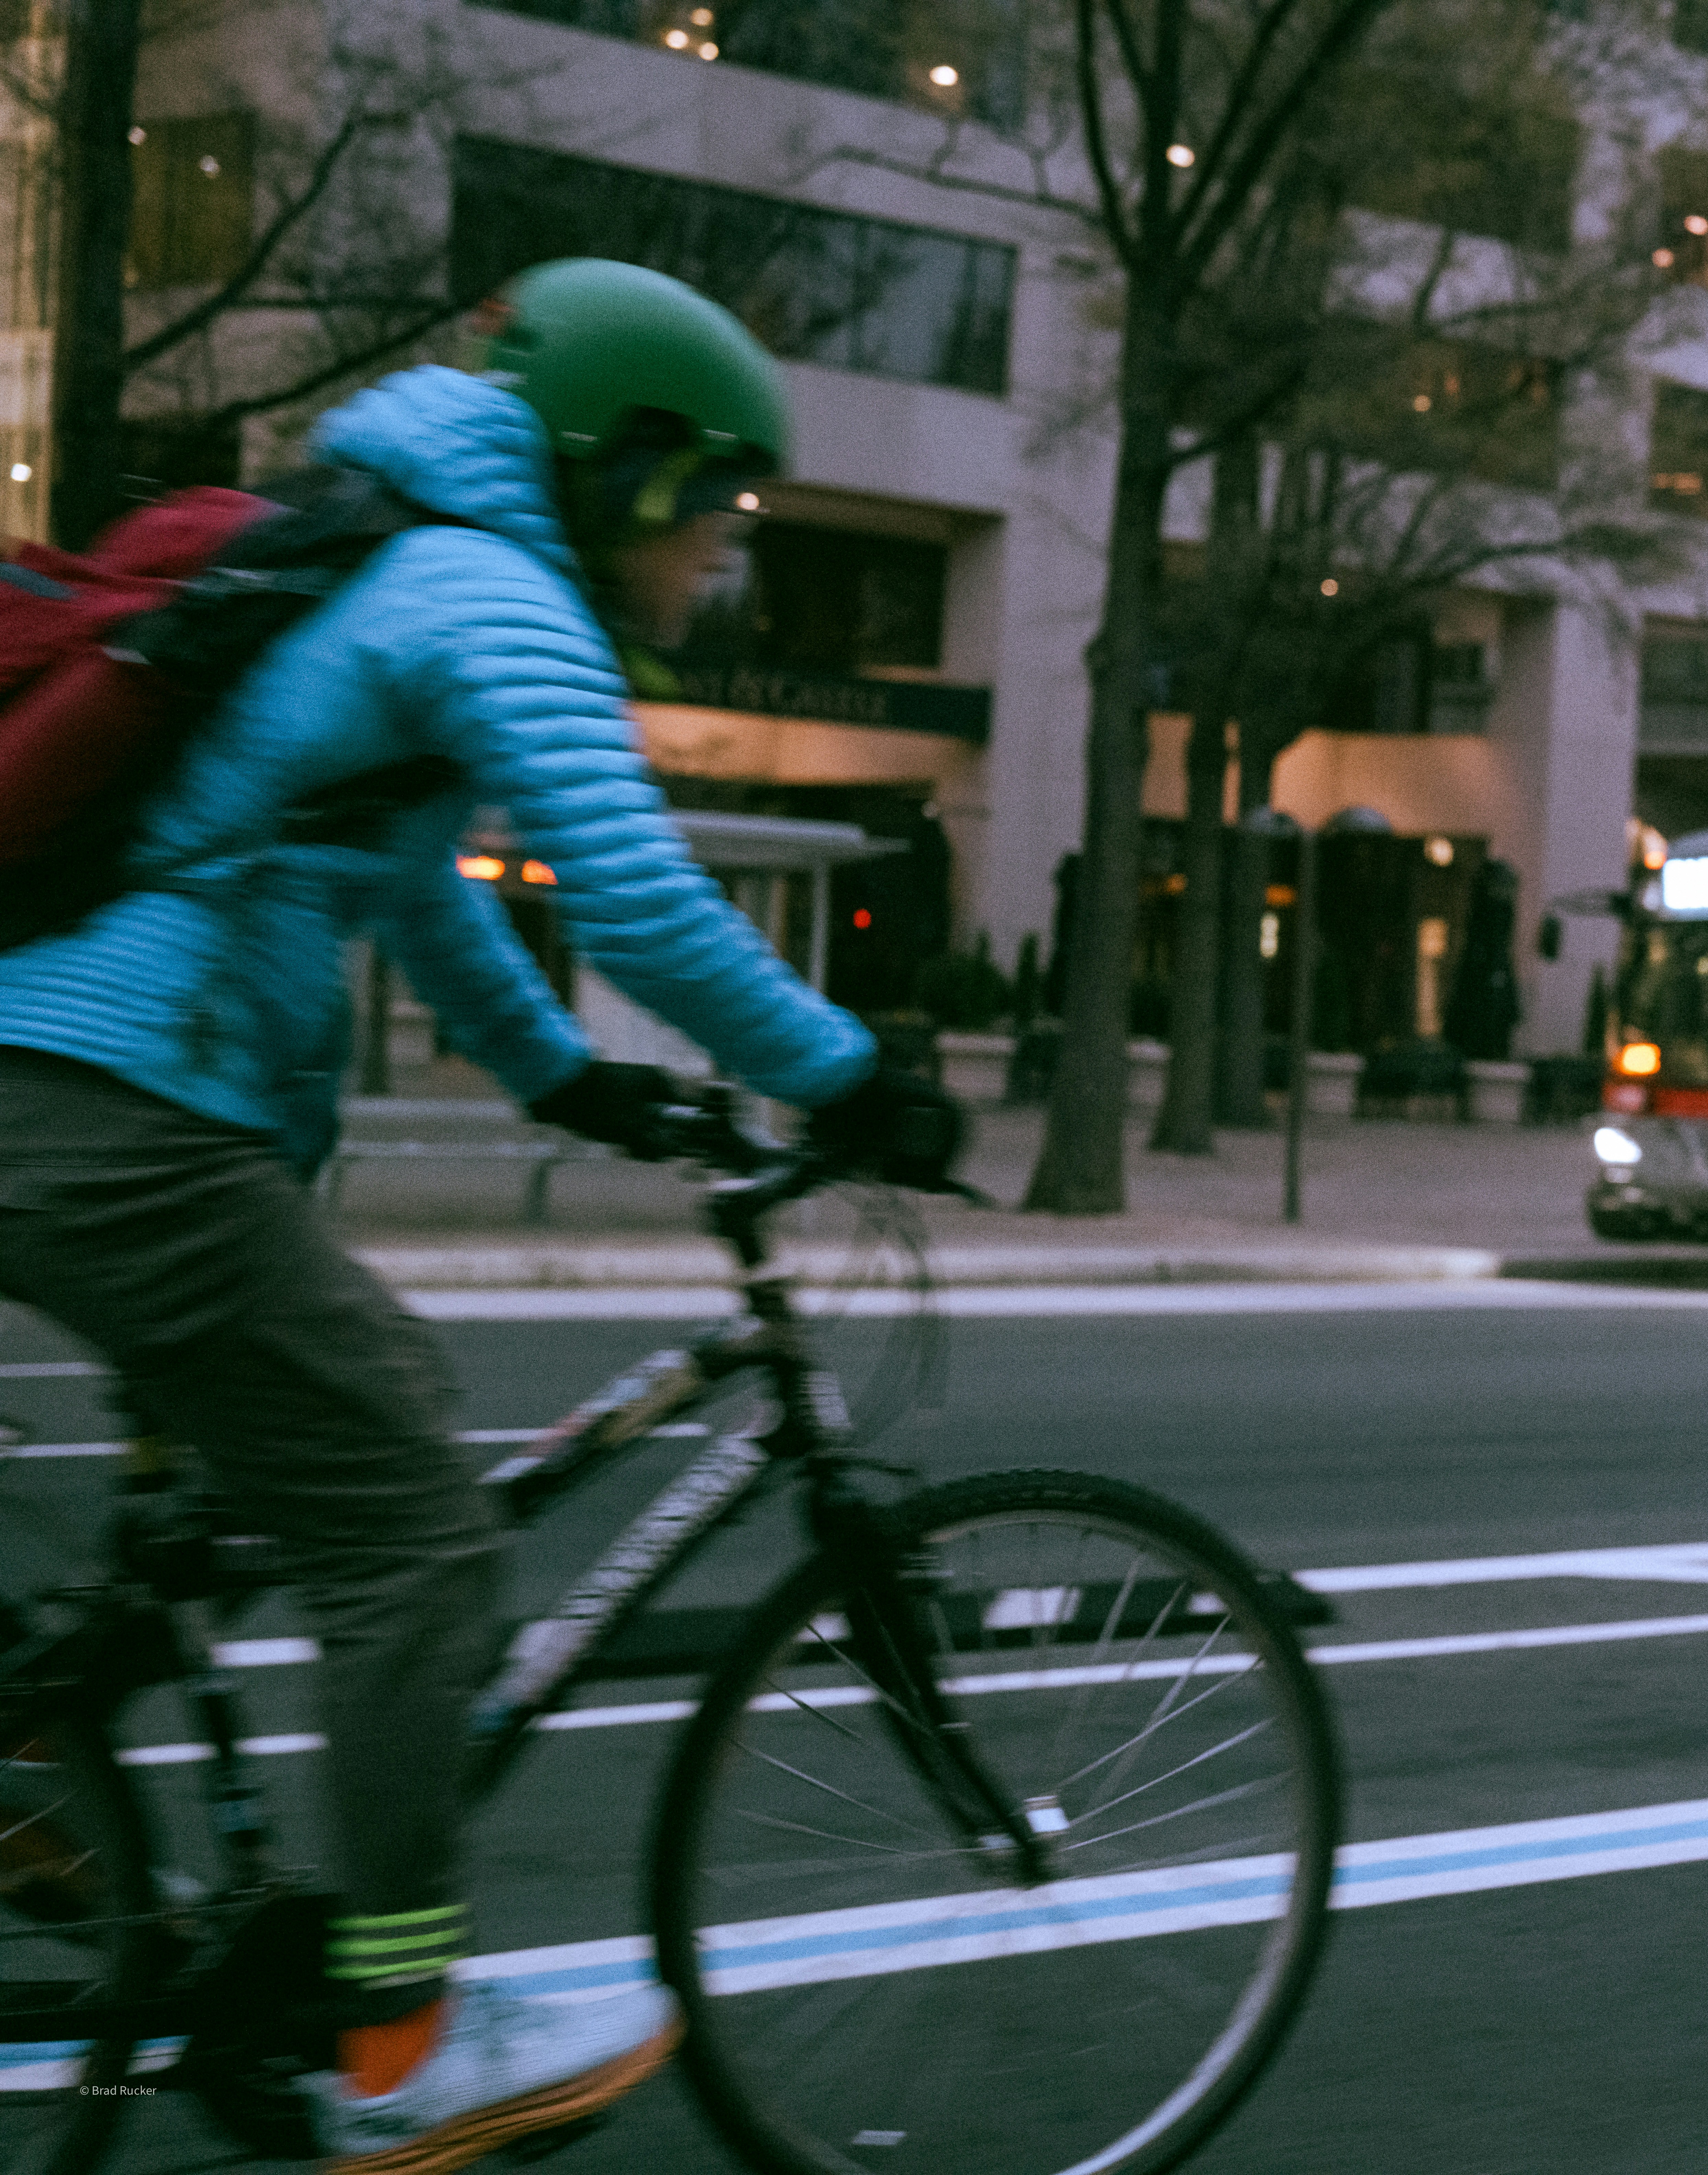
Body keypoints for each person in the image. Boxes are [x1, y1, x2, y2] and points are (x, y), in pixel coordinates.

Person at [0, 258, 960, 2175]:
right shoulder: (491, 592)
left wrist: (563, 1079)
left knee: (362, 1405)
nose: (720, 561)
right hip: (112, 1113)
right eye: (718, 513)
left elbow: (416, 880)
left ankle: (61, 1774)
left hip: (87, 1099)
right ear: (629, 472)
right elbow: (645, 903)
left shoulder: (396, 565)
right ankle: (399, 2042)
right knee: (425, 1546)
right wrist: (850, 1075)